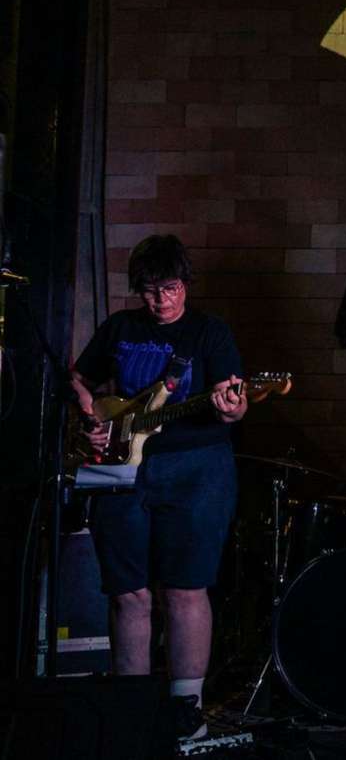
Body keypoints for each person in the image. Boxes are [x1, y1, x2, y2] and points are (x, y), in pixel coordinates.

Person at [71, 234, 247, 741]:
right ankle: (131, 710)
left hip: (197, 470)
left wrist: (233, 405)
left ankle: (186, 711)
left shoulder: (210, 333)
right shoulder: (120, 327)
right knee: (129, 593)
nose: (161, 300)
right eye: (150, 290)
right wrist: (90, 417)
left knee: (186, 589)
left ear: (185, 284)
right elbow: (79, 378)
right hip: (122, 471)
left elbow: (235, 403)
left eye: (170, 288)